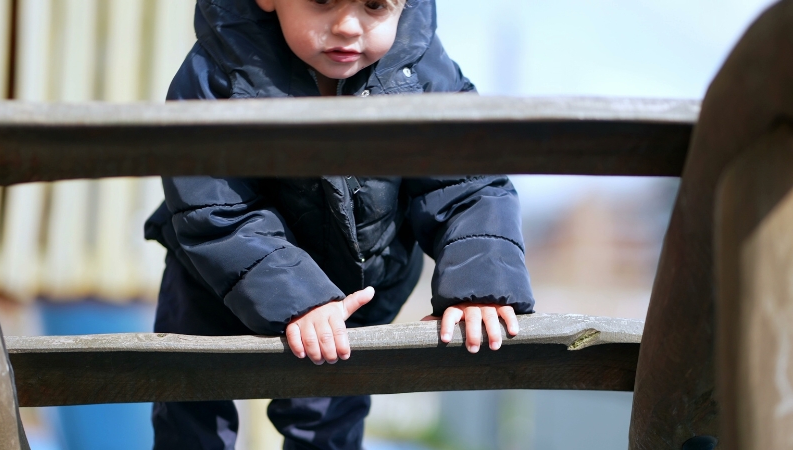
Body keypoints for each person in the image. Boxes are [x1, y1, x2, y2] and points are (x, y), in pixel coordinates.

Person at [144, 0, 535, 448]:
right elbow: (214, 208)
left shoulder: (422, 71)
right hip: (214, 274)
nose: (349, 26)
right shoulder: (220, 70)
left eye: (374, 5)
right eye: (323, 2)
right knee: (190, 402)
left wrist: (478, 285)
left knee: (327, 421)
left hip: (354, 282)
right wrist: (298, 294)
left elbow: (469, 186)